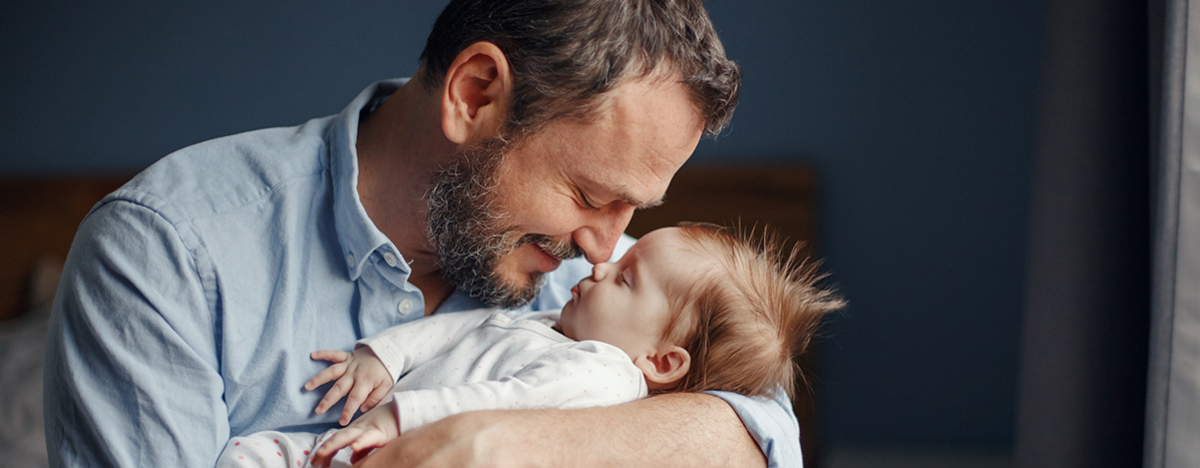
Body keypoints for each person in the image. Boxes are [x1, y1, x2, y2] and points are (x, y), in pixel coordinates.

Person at [41, 1, 808, 467]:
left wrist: (506, 448)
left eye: (631, 212)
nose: (604, 250)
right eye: (588, 195)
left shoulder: (600, 295)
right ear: (475, 95)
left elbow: (758, 436)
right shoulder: (166, 255)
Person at [214, 224, 843, 468]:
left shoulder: (602, 376)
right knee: (245, 456)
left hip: (404, 443)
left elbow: (495, 404)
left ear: (661, 361)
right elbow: (454, 330)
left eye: (624, 277)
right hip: (376, 438)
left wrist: (399, 414)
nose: (598, 261)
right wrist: (383, 356)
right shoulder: (553, 318)